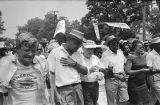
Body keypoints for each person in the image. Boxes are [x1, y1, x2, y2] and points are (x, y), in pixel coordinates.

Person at [0, 32, 50, 105]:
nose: (30, 54)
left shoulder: (41, 62)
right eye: (26, 50)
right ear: (18, 49)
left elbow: (45, 88)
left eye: (33, 51)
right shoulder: (7, 63)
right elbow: (1, 93)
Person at [46, 29, 90, 105]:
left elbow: (85, 71)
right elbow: (51, 75)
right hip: (63, 91)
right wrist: (55, 94)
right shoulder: (55, 53)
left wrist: (74, 64)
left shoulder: (78, 53)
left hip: (78, 88)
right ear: (69, 40)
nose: (79, 46)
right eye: (77, 43)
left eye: (80, 43)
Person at [101, 35, 129, 105]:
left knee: (125, 99)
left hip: (122, 78)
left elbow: (124, 62)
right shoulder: (105, 55)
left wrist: (124, 74)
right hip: (111, 80)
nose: (116, 44)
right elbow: (106, 71)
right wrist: (118, 76)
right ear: (109, 45)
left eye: (117, 42)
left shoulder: (120, 52)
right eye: (114, 43)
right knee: (112, 101)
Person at [80, 40, 106, 105]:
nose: (90, 51)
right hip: (85, 85)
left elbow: (102, 69)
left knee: (95, 101)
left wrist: (100, 74)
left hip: (95, 84)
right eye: (88, 49)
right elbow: (78, 73)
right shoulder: (79, 59)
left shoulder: (95, 58)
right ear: (83, 48)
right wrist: (89, 70)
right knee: (89, 103)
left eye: (91, 49)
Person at [125, 40, 150, 105]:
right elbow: (127, 71)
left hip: (143, 83)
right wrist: (141, 70)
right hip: (134, 84)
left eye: (143, 47)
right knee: (137, 103)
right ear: (135, 48)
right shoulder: (131, 58)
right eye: (140, 47)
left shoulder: (144, 56)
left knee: (146, 102)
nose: (142, 48)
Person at [146, 36, 160, 105]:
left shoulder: (159, 54)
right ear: (154, 45)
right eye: (159, 44)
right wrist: (158, 70)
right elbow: (149, 69)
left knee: (153, 97)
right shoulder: (150, 55)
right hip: (153, 78)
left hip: (158, 77)